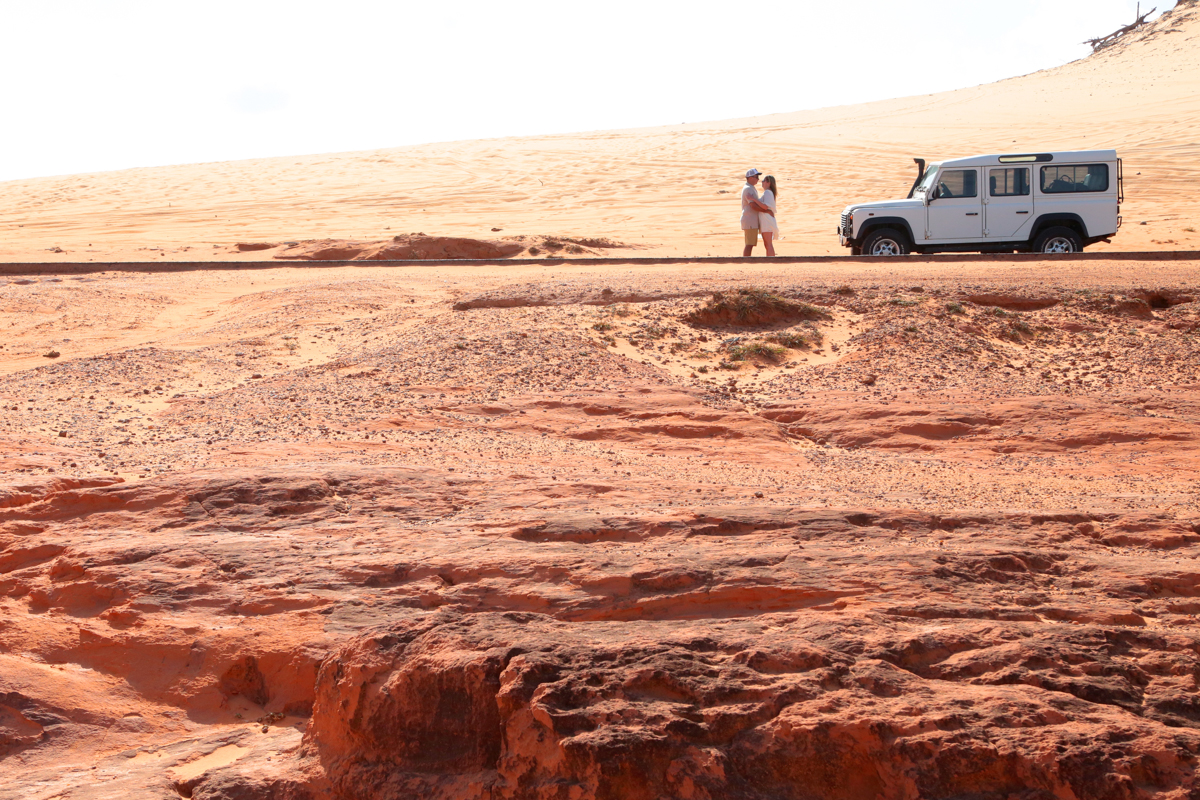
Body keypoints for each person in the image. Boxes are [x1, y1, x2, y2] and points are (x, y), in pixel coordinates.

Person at [740, 168, 775, 257]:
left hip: (752, 220)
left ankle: (746, 261)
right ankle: (746, 262)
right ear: (750, 178)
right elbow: (753, 206)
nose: (758, 179)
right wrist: (767, 211)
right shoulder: (749, 189)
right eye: (756, 177)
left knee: (750, 243)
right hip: (750, 220)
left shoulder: (751, 188)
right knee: (749, 244)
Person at [758, 175, 779, 257]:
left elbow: (765, 206)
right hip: (766, 220)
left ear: (768, 183)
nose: (762, 182)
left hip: (767, 220)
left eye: (764, 180)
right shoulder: (768, 192)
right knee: (767, 244)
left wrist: (753, 199)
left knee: (768, 244)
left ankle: (771, 261)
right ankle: (770, 260)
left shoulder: (767, 192)